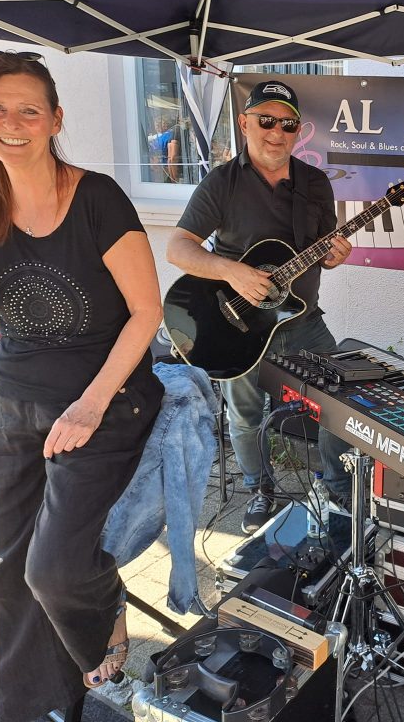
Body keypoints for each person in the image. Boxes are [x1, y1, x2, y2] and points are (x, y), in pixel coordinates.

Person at [0, 50, 164, 721]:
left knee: (53, 570)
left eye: (29, 110)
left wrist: (90, 404)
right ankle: (37, 710)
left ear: (55, 119)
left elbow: (146, 311)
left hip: (105, 400)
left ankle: (103, 620)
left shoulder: (97, 198)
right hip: (13, 400)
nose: (13, 123)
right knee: (5, 580)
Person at [167, 79, 353, 534]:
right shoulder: (222, 182)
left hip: (301, 319)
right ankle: (259, 489)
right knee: (246, 416)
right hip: (238, 325)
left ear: (298, 131)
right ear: (245, 124)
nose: (276, 132)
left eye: (287, 124)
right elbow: (178, 247)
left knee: (340, 401)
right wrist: (231, 272)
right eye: (266, 120)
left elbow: (322, 247)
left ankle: (336, 486)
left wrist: (334, 255)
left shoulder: (314, 183)